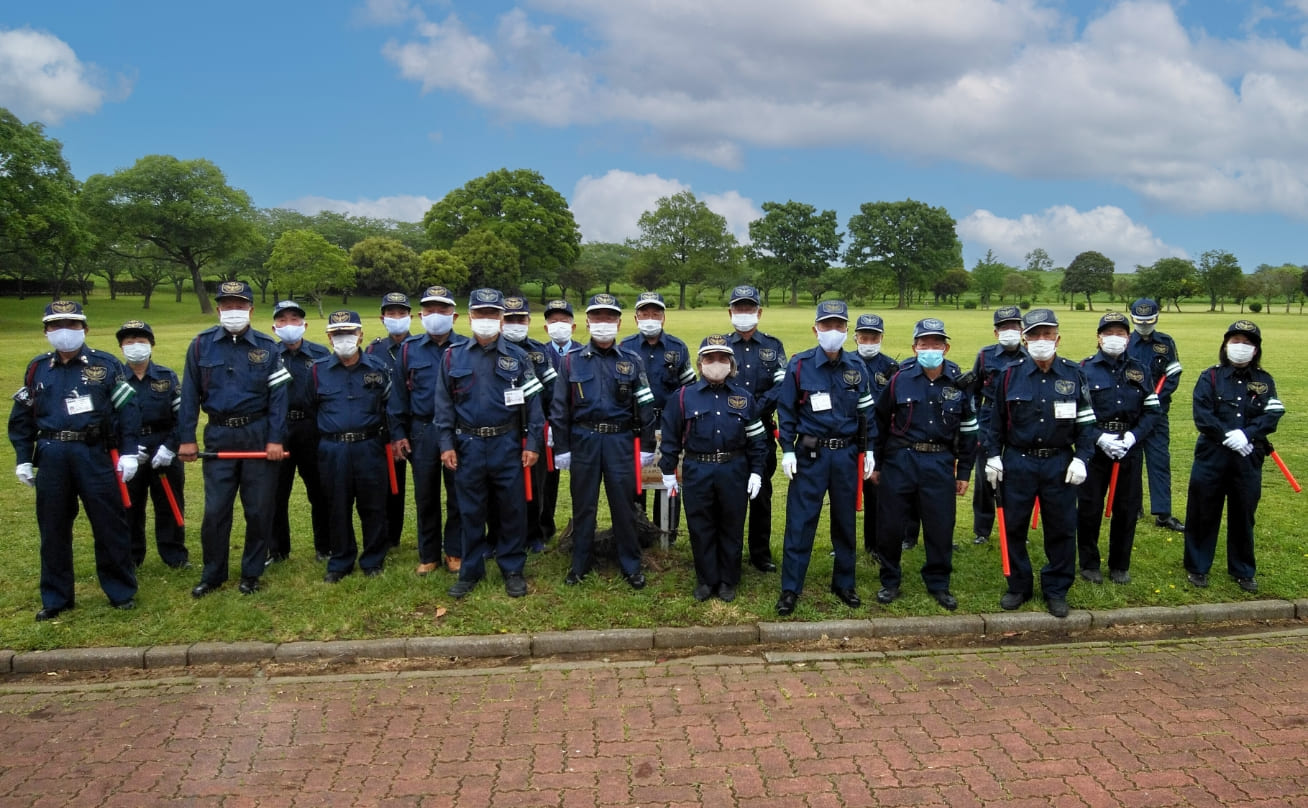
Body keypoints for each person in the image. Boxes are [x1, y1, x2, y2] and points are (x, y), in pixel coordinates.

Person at [9, 301, 141, 620]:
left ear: (85, 328)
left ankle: (121, 591)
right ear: (45, 331)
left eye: (71, 324)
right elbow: (22, 418)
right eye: (55, 326)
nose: (64, 331)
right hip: (52, 454)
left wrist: (129, 452)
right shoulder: (37, 368)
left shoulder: (107, 365)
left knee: (109, 524)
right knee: (53, 527)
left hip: (93, 452)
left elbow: (129, 411)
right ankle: (56, 598)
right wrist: (24, 458)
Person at [179, 281, 290, 597]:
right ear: (218, 310)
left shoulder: (268, 348)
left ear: (251, 310)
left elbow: (279, 399)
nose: (233, 311)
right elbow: (189, 396)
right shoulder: (200, 346)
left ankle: (251, 573)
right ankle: (213, 574)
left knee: (258, 510)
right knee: (216, 511)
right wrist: (186, 438)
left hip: (257, 434)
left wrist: (275, 439)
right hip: (218, 435)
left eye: (240, 305)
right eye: (227, 306)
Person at [982, 308, 1095, 618]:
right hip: (1018, 462)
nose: (1042, 340)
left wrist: (1082, 458)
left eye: (1048, 334)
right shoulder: (1008, 376)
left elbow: (1087, 423)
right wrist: (992, 456)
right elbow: (993, 422)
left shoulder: (1074, 374)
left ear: (1058, 338)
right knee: (1014, 526)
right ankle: (1019, 586)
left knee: (1061, 528)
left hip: (1060, 462)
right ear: (1025, 339)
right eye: (1035, 335)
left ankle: (1056, 589)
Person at [435, 290, 544, 599]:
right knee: (470, 510)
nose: (486, 320)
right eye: (480, 314)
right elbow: (443, 405)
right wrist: (446, 444)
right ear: (470, 317)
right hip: (467, 444)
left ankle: (512, 568)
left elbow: (535, 405)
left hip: (507, 443)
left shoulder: (519, 357)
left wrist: (533, 443)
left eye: (491, 314)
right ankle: (471, 570)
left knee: (511, 509)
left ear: (500, 318)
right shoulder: (453, 356)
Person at [549, 293, 657, 589]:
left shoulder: (632, 361)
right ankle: (580, 563)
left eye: (610, 317)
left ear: (619, 323)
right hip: (583, 439)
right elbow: (559, 408)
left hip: (620, 440)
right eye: (598, 317)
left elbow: (645, 403)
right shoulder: (571, 362)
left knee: (623, 506)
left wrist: (647, 445)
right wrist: (562, 449)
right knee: (584, 506)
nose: (603, 323)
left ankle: (630, 564)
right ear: (588, 322)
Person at [774, 300, 875, 616]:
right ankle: (791, 588)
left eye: (839, 325)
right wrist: (788, 450)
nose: (833, 331)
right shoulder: (800, 365)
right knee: (801, 522)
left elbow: (866, 413)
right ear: (815, 328)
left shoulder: (857, 368)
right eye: (827, 325)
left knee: (845, 522)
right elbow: (786, 411)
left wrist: (869, 449)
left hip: (845, 454)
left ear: (847, 330)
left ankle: (844, 583)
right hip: (810, 455)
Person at [872, 318, 977, 611]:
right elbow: (879, 423)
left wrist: (965, 471)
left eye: (936, 343)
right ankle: (890, 581)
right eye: (924, 343)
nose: (929, 348)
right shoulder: (900, 379)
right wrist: (877, 465)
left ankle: (939, 583)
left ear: (946, 347)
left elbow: (969, 430)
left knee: (940, 525)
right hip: (900, 460)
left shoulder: (958, 382)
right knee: (891, 525)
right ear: (915, 347)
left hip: (939, 461)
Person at [658, 335, 769, 602]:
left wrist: (756, 471)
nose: (716, 363)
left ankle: (728, 580)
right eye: (710, 358)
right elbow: (672, 438)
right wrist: (668, 470)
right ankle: (707, 580)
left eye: (722, 358)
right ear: (700, 363)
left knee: (731, 525)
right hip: (698, 468)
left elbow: (757, 439)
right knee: (701, 525)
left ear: (731, 365)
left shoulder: (744, 398)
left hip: (734, 468)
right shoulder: (683, 397)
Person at [1182, 320, 1284, 593]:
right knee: (1203, 511)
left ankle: (1242, 569)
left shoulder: (1265, 380)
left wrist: (1248, 435)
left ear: (1256, 349)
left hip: (1247, 456)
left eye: (1247, 342)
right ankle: (1197, 566)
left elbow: (1273, 413)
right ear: (1225, 345)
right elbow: (1202, 414)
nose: (1240, 347)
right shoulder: (1211, 377)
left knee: (1243, 512)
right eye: (1235, 341)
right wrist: (1229, 436)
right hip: (1212, 454)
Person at [1075, 312, 1162, 585]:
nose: (1115, 338)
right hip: (1095, 448)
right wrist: (1100, 438)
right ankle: (1089, 563)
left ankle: (1119, 564)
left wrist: (1133, 437)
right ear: (1099, 337)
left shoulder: (1140, 369)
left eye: (1121, 333)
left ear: (1128, 337)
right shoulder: (1084, 369)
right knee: (1089, 508)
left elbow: (1152, 411)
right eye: (1109, 333)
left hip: (1128, 448)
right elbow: (1078, 413)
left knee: (1127, 508)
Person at [388, 285, 468, 575]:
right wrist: (398, 434)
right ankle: (429, 553)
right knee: (425, 495)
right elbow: (398, 397)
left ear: (454, 315)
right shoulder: (409, 351)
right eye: (430, 310)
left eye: (443, 310)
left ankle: (455, 551)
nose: (437, 315)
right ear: (421, 315)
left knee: (458, 493)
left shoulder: (465, 349)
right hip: (422, 431)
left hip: (458, 432)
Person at [313, 311, 392, 581]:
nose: (343, 338)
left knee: (373, 506)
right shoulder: (316, 370)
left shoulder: (378, 369)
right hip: (333, 449)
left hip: (369, 446)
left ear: (361, 335)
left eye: (349, 332)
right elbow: (311, 409)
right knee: (337, 505)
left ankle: (373, 560)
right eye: (337, 334)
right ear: (329, 337)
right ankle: (340, 561)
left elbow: (389, 407)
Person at [116, 319, 189, 569]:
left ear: (152, 344)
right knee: (129, 506)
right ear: (121, 347)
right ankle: (131, 557)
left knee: (169, 503)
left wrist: (170, 447)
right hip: (129, 448)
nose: (135, 345)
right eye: (129, 341)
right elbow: (106, 418)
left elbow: (182, 417)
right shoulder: (114, 379)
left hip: (163, 446)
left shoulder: (167, 378)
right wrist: (125, 447)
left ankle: (174, 554)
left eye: (141, 340)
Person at [621, 291, 695, 535]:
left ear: (663, 317)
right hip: (635, 424)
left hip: (669, 423)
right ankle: (638, 531)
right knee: (636, 480)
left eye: (655, 313)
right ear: (636, 318)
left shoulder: (678, 347)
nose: (650, 318)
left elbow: (689, 388)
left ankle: (668, 531)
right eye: (645, 313)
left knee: (669, 475)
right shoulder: (625, 348)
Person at [726, 285, 788, 573]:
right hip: (727, 431)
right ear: (730, 312)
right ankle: (730, 551)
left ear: (759, 312)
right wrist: (738, 411)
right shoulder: (721, 346)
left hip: (761, 430)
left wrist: (753, 408)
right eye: (739, 308)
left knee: (761, 494)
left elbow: (782, 385)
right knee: (730, 495)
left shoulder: (773, 346)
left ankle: (760, 553)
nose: (744, 313)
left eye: (749, 308)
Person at [270, 299, 331, 563]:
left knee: (319, 490)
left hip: (311, 428)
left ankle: (325, 547)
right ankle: (277, 549)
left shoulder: (320, 354)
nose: (289, 325)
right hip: (278, 429)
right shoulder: (267, 355)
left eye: (294, 319)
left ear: (304, 325)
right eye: (282, 320)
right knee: (275, 493)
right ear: (274, 327)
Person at [501, 294, 557, 553]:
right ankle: (501, 536)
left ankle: (535, 534)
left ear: (528, 320)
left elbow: (553, 390)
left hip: (535, 427)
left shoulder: (540, 351)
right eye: (509, 318)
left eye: (519, 319)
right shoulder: (493, 349)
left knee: (536, 485)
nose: (515, 323)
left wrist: (549, 425)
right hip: (502, 429)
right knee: (502, 487)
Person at [970, 306, 1028, 545]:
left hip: (1019, 420)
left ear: (1022, 330)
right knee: (986, 477)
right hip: (988, 419)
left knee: (1016, 477)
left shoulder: (1030, 355)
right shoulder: (985, 355)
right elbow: (973, 390)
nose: (1009, 331)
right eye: (1004, 327)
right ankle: (982, 530)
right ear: (996, 332)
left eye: (1014, 326)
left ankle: (1016, 530)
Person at [1127, 298, 1184, 531]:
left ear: (1157, 318)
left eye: (1148, 321)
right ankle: (1133, 506)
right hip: (1131, 413)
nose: (1144, 325)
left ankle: (1163, 513)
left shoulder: (1166, 343)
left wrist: (1155, 401)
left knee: (1159, 460)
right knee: (1132, 461)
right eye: (1139, 321)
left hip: (1157, 413)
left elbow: (1172, 375)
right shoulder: (1125, 341)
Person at [364, 291, 413, 550]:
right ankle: (390, 536)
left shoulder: (419, 345)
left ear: (410, 316)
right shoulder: (374, 349)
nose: (396, 318)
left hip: (417, 425)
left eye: (401, 313)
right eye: (391, 314)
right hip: (386, 426)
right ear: (383, 318)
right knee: (389, 483)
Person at [852, 314, 899, 556]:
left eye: (874, 337)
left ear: (881, 338)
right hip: (849, 438)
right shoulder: (845, 362)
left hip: (879, 441)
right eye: (864, 337)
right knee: (846, 495)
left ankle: (875, 545)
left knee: (877, 495)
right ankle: (845, 543)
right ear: (855, 337)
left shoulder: (892, 368)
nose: (868, 341)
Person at [539, 299, 583, 544]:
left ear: (573, 326)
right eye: (553, 321)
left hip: (578, 425)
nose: (559, 325)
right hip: (548, 426)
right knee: (546, 480)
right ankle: (545, 528)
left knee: (581, 480)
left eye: (564, 320)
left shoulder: (584, 352)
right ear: (546, 327)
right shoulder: (539, 353)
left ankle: (580, 527)